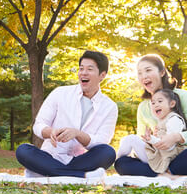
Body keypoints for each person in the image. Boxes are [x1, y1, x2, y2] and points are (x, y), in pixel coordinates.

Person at [15, 50, 118, 178]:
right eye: (81, 69)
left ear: (102, 75)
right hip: (50, 156)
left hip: (80, 161)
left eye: (90, 69)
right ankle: (82, 176)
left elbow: (102, 141)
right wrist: (50, 132)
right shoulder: (60, 93)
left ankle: (46, 172)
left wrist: (78, 134)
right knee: (23, 150)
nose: (83, 73)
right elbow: (39, 125)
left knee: (108, 152)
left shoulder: (110, 106)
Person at [114, 54, 187, 177]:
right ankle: (167, 176)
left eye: (148, 70)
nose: (144, 76)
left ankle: (161, 175)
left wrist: (176, 137)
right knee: (121, 163)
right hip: (158, 158)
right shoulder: (143, 107)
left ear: (162, 72)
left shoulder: (182, 96)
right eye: (140, 73)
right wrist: (150, 140)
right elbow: (142, 139)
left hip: (182, 157)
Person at [116, 88, 187, 175]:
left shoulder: (174, 120)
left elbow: (169, 146)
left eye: (160, 101)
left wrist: (152, 140)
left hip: (164, 159)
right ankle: (120, 160)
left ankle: (116, 159)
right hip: (158, 155)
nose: (155, 105)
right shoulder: (163, 121)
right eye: (153, 103)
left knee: (131, 139)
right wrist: (150, 139)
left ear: (172, 104)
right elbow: (161, 141)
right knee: (125, 144)